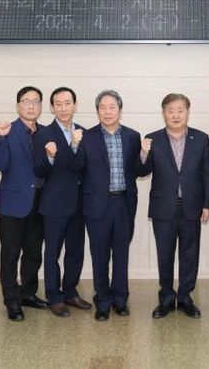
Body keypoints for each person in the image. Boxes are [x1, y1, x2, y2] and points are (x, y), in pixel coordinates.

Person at [138, 93, 209, 319]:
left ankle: (185, 297)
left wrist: (207, 204)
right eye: (170, 110)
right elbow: (141, 171)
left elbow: (208, 174)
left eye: (180, 110)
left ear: (187, 112)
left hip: (192, 206)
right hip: (163, 208)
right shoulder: (153, 139)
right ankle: (166, 298)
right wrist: (143, 153)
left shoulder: (201, 138)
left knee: (190, 254)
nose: (176, 115)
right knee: (165, 254)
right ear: (164, 113)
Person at [72, 90, 143, 321]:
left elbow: (140, 170)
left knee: (121, 255)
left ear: (120, 110)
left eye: (112, 107)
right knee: (99, 255)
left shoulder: (133, 136)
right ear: (97, 111)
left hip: (124, 204)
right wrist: (74, 146)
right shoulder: (86, 136)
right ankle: (102, 301)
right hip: (96, 205)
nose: (107, 112)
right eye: (102, 107)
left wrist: (144, 154)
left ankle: (121, 300)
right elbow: (76, 167)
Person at [33, 87, 92, 317]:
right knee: (52, 253)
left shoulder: (83, 132)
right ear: (51, 107)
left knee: (75, 250)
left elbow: (83, 166)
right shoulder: (43, 134)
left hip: (79, 203)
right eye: (58, 104)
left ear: (75, 105)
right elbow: (39, 169)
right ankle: (54, 296)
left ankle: (70, 292)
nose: (63, 108)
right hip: (55, 203)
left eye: (67, 103)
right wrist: (51, 155)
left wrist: (76, 145)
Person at [0, 86, 48, 321]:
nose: (31, 105)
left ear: (41, 107)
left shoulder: (46, 132)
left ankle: (28, 293)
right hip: (13, 202)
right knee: (10, 253)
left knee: (34, 253)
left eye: (36, 102)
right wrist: (0, 138)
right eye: (26, 101)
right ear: (17, 106)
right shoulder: (7, 130)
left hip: (40, 201)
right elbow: (0, 164)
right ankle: (11, 300)